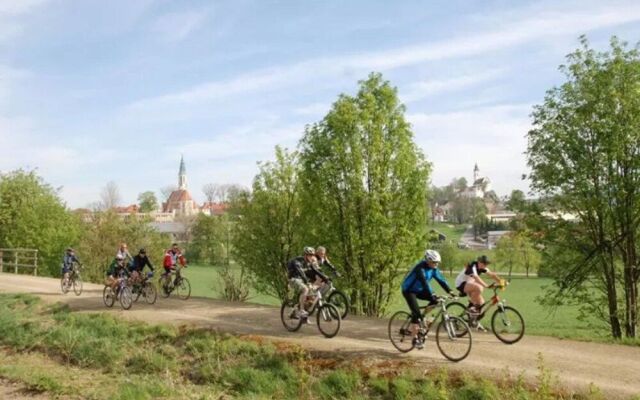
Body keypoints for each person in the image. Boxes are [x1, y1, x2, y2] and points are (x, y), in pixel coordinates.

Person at [401, 249, 455, 349]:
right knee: (416, 314)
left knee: (435, 301)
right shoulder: (420, 268)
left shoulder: (434, 268)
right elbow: (424, 282)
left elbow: (441, 280)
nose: (436, 264)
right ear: (428, 260)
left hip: (420, 290)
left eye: (437, 263)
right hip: (409, 291)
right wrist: (432, 293)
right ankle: (415, 339)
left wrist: (450, 291)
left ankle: (422, 317)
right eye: (434, 262)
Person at [454, 255, 504, 327]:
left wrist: (501, 281)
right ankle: (473, 307)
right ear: (479, 262)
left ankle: (473, 321)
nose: (486, 265)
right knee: (479, 288)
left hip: (470, 283)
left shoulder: (482, 267)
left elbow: (492, 275)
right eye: (484, 263)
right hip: (461, 284)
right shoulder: (472, 266)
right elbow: (476, 277)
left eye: (487, 264)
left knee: (482, 305)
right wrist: (486, 285)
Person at [286, 246, 318, 319]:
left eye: (312, 255)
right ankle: (301, 310)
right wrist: (307, 282)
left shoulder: (308, 262)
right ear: (305, 255)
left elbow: (314, 272)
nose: (311, 257)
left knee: (311, 293)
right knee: (305, 289)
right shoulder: (297, 261)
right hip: (293, 279)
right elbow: (301, 272)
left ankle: (295, 312)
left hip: (300, 279)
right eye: (310, 255)